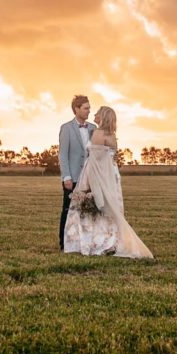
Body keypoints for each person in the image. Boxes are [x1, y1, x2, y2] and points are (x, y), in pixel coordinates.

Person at [63, 106, 153, 259]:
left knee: (95, 207)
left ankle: (96, 243)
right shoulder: (112, 135)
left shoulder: (98, 133)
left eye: (98, 113)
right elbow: (109, 158)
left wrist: (91, 183)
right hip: (111, 174)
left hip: (99, 174)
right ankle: (110, 241)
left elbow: (96, 160)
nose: (94, 114)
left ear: (103, 117)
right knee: (109, 208)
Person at [58, 95, 94, 251]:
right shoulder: (66, 128)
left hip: (90, 178)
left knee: (89, 210)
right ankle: (64, 243)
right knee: (68, 210)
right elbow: (62, 154)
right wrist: (66, 176)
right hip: (71, 177)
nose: (89, 111)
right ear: (76, 109)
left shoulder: (93, 128)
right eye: (86, 108)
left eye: (89, 108)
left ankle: (85, 243)